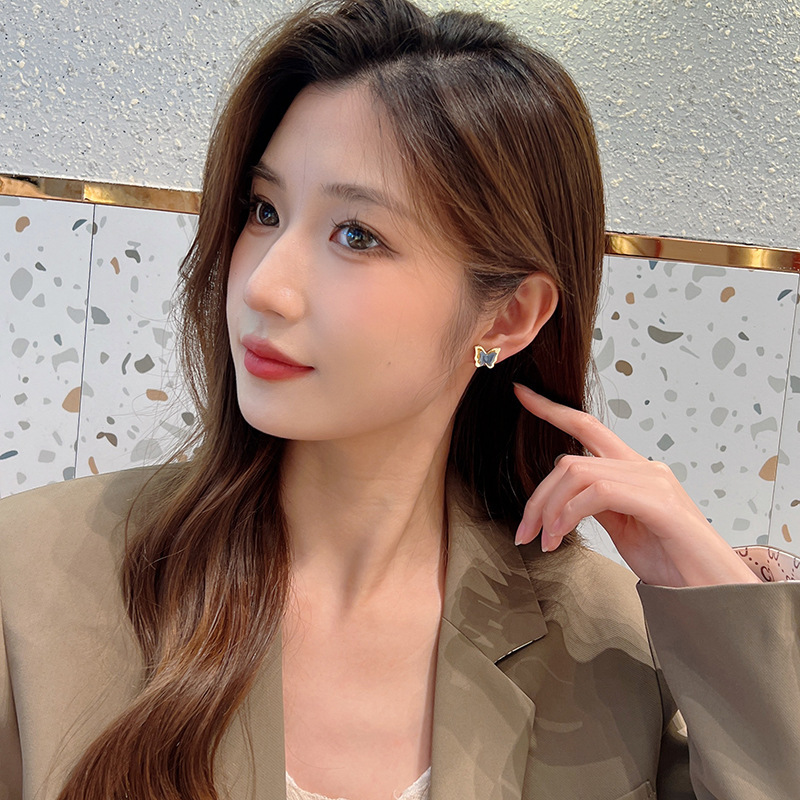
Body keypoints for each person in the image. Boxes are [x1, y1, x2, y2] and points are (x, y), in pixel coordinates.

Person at [1, 0, 798, 798]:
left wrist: (725, 613)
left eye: (357, 235)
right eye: (265, 210)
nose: (265, 286)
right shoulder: (29, 582)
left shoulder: (607, 646)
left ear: (508, 316)